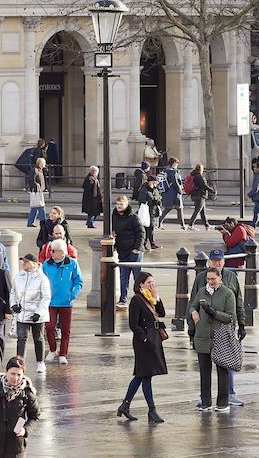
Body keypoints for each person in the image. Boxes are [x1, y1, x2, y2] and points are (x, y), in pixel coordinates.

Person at [189, 249, 246, 406]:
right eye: (214, 261)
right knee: (205, 368)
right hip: (205, 331)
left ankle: (229, 395)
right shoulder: (201, 280)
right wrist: (191, 326)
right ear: (209, 262)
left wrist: (242, 324)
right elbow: (192, 303)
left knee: (226, 363)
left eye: (219, 260)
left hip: (224, 331)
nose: (217, 263)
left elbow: (238, 304)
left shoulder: (231, 278)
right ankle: (205, 399)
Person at [118, 271, 168, 424]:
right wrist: (144, 337)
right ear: (141, 284)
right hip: (144, 342)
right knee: (146, 375)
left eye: (153, 282)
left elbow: (162, 313)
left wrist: (157, 296)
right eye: (149, 283)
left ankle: (125, 405)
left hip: (154, 340)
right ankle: (151, 410)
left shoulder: (151, 298)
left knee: (143, 375)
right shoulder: (136, 300)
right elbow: (133, 324)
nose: (152, 285)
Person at [43, 240, 83, 364]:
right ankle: (52, 349)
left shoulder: (72, 263)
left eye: (54, 251)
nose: (51, 253)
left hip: (66, 302)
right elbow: (42, 280)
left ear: (61, 252)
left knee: (65, 329)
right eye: (51, 250)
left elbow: (78, 281)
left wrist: (72, 294)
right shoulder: (46, 264)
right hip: (51, 302)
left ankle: (63, 354)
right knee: (49, 327)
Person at [11, 254, 51, 374]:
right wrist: (13, 305)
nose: (23, 264)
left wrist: (39, 312)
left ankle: (40, 362)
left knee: (38, 338)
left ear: (33, 263)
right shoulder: (19, 276)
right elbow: (13, 293)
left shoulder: (42, 278)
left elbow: (46, 297)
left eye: (26, 262)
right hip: (22, 313)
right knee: (21, 338)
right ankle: (19, 362)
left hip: (36, 314)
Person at [112, 195, 145, 308]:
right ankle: (123, 299)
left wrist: (137, 248)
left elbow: (141, 232)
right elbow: (114, 230)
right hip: (123, 251)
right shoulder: (114, 216)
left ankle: (141, 299)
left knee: (137, 277)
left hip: (134, 251)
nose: (119, 207)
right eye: (117, 204)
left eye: (121, 204)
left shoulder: (133, 217)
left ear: (126, 205)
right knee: (123, 276)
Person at [158, 157, 186, 229]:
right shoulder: (173, 172)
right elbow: (175, 182)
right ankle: (182, 225)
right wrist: (180, 190)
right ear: (174, 163)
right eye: (177, 163)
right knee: (179, 208)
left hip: (168, 193)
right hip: (174, 193)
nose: (177, 165)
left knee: (169, 209)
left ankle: (159, 223)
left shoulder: (166, 170)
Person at [138, 174, 163, 251]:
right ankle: (147, 244)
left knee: (150, 228)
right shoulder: (144, 189)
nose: (156, 184)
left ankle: (151, 244)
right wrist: (153, 200)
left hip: (153, 211)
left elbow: (159, 197)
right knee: (147, 228)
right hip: (147, 212)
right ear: (150, 182)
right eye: (155, 182)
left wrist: (157, 201)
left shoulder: (155, 189)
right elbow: (142, 200)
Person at [186, 164, 215, 230]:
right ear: (201, 169)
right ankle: (190, 225)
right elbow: (204, 186)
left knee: (202, 212)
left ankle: (207, 225)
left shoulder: (193, 175)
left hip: (196, 195)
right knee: (197, 210)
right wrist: (212, 190)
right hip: (199, 195)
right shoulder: (199, 176)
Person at [26, 158, 47, 228]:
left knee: (34, 208)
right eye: (44, 163)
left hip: (38, 191)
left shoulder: (39, 170)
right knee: (41, 207)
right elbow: (31, 180)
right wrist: (36, 188)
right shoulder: (35, 170)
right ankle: (43, 222)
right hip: (37, 192)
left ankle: (30, 222)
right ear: (40, 164)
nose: (45, 164)